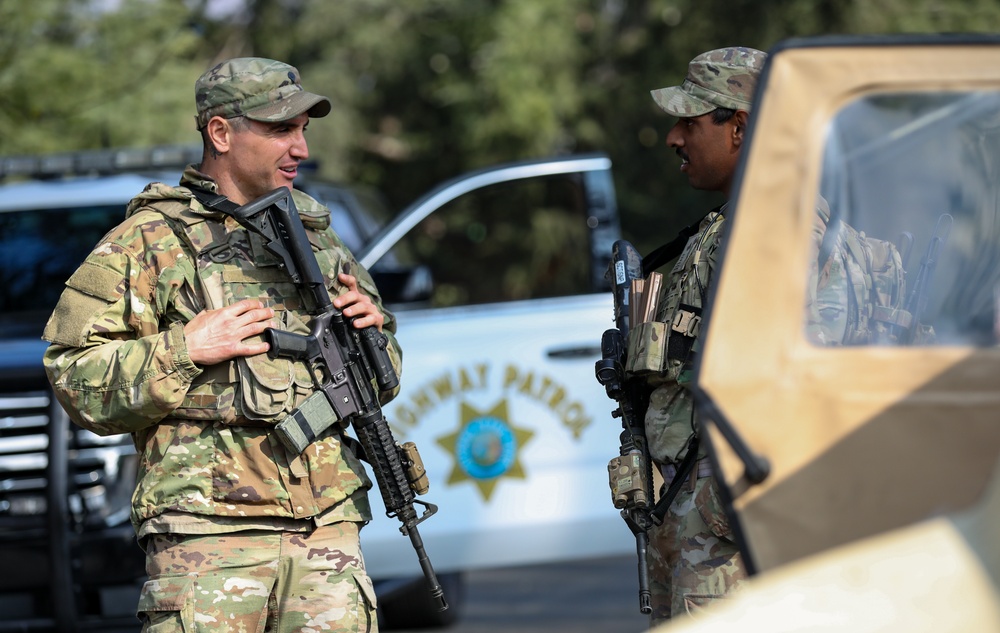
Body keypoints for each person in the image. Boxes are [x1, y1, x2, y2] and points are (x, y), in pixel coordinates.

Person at [41, 57, 400, 632]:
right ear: (221, 133)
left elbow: (383, 373)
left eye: (304, 129)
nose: (300, 148)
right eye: (281, 128)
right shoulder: (149, 241)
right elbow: (73, 376)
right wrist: (184, 347)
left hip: (326, 534)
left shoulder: (320, 239)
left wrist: (373, 334)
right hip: (208, 538)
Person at [637, 46, 767, 625]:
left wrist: (720, 505)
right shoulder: (721, 229)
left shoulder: (777, 233)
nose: (673, 137)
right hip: (689, 515)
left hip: (725, 527)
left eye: (690, 121)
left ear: (738, 128)